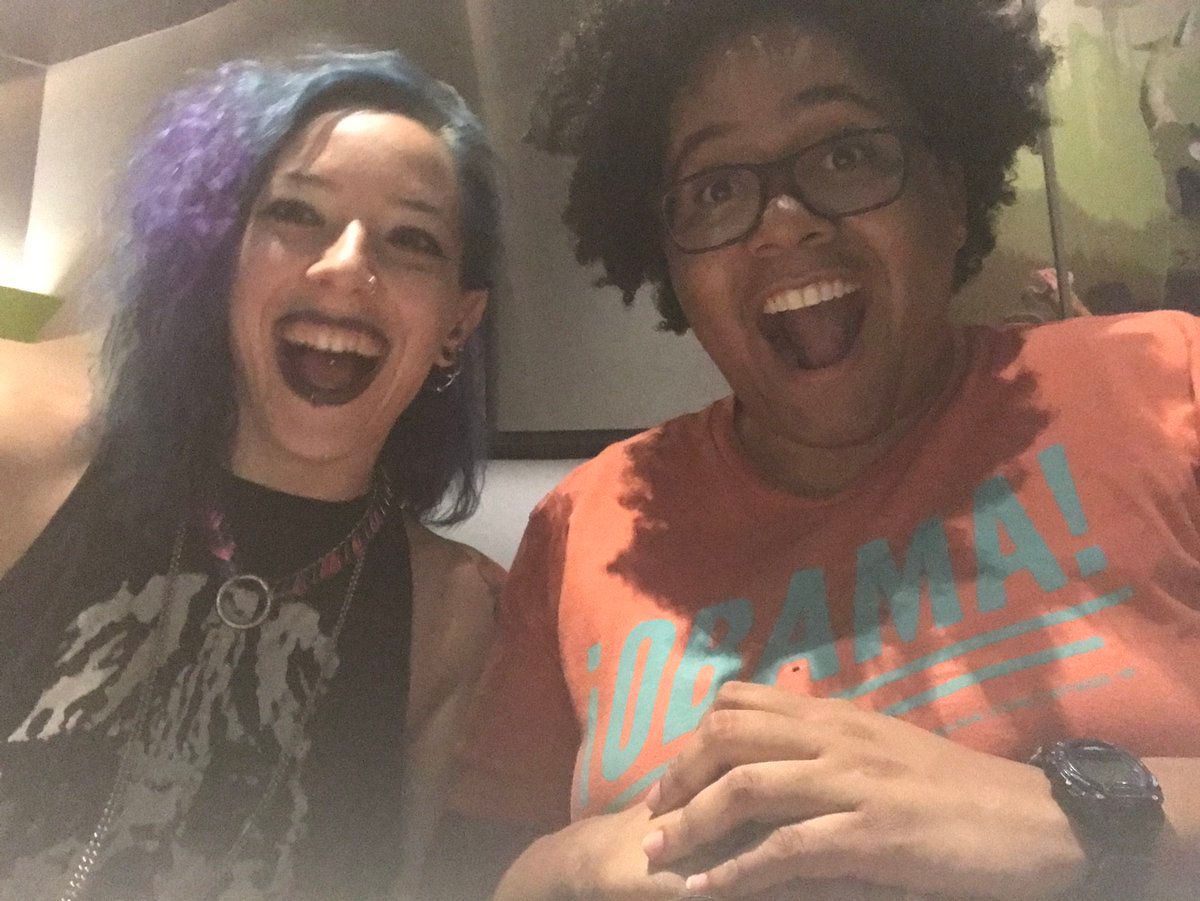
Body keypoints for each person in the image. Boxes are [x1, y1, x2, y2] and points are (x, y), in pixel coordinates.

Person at [434, 1, 1200, 898]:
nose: (782, 224)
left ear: (951, 195)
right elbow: (470, 877)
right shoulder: (585, 525)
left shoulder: (1165, 380)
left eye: (845, 154)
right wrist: (574, 867)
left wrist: (1077, 815)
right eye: (716, 188)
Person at [0, 49, 503, 900]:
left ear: (458, 322)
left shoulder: (453, 615)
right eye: (296, 213)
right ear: (220, 262)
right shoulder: (26, 449)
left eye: (412, 239)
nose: (346, 263)